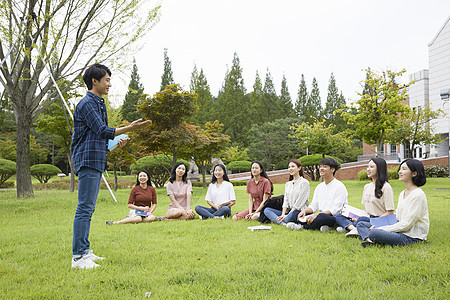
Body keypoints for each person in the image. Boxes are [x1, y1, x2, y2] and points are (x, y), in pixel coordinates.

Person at [71, 64, 151, 269]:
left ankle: (85, 251)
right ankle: (78, 257)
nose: (109, 84)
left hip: (96, 159)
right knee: (85, 208)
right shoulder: (87, 103)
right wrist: (131, 127)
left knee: (88, 208)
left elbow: (99, 138)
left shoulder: (98, 104)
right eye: (106, 79)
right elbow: (102, 130)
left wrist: (115, 144)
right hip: (87, 161)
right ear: (94, 81)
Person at [362, 159, 429, 247]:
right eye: (400, 169)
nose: (400, 172)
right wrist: (379, 224)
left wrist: (381, 228)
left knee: (374, 232)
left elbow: (406, 225)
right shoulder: (403, 193)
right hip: (401, 231)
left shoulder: (418, 195)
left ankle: (374, 240)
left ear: (414, 173)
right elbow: (397, 217)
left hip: (411, 236)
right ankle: (376, 240)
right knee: (365, 224)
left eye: (404, 169)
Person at [335, 158, 394, 238]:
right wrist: (356, 216)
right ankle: (354, 229)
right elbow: (366, 209)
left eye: (371, 167)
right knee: (339, 216)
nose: (368, 169)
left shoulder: (386, 187)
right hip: (366, 217)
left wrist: (374, 220)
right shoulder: (367, 187)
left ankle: (351, 228)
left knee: (361, 221)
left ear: (379, 169)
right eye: (368, 166)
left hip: (379, 219)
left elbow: (390, 212)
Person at [286, 158, 348, 231]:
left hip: (332, 217)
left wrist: (316, 215)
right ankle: (323, 227)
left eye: (324, 167)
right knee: (296, 213)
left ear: (332, 169)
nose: (321, 169)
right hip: (319, 215)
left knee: (321, 217)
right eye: (320, 166)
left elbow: (336, 210)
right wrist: (305, 211)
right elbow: (314, 206)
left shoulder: (340, 186)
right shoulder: (319, 187)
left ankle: (302, 227)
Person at [263, 159, 310, 225]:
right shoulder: (288, 184)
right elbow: (286, 201)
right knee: (267, 210)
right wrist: (283, 214)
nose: (290, 169)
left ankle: (283, 221)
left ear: (299, 168)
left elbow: (300, 202)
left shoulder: (304, 182)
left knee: (290, 216)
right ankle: (283, 223)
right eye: (289, 167)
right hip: (289, 212)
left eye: (293, 166)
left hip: (299, 212)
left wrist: (287, 215)